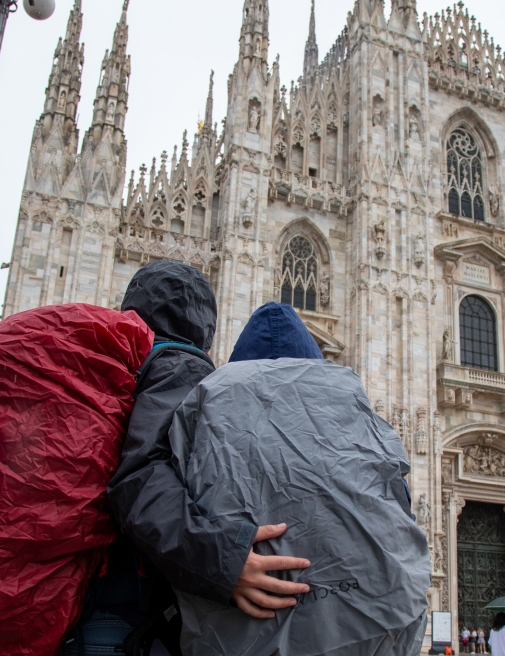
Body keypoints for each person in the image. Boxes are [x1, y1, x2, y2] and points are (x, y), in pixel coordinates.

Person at [62, 263, 312, 655]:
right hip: (127, 616)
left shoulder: (113, 368)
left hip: (87, 604)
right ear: (205, 333)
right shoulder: (181, 367)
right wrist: (225, 564)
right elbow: (139, 478)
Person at [154, 302, 429, 655]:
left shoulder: (208, 402)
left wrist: (227, 553)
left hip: (244, 631)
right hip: (373, 625)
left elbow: (172, 500)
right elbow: (400, 512)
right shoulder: (355, 408)